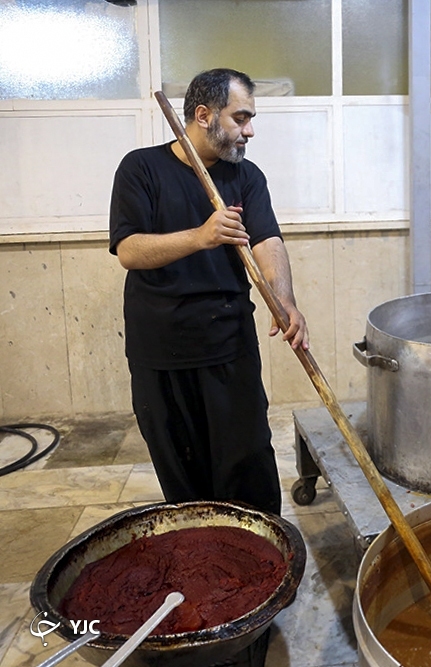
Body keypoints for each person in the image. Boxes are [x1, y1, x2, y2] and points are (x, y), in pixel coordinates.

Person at [109, 68, 309, 516]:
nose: (249, 130)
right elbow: (129, 250)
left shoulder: (246, 177)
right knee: (184, 475)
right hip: (160, 350)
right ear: (203, 115)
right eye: (240, 118)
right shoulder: (141, 168)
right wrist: (201, 236)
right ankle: (204, 565)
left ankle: (264, 565)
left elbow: (268, 241)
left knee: (249, 463)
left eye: (250, 118)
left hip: (229, 343)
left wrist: (284, 300)